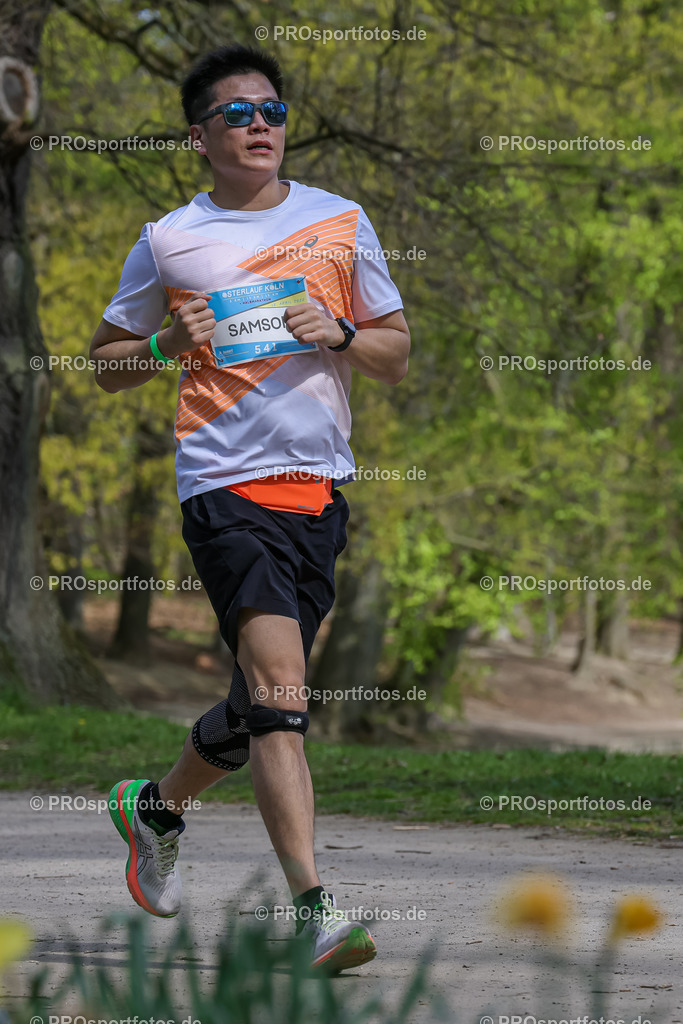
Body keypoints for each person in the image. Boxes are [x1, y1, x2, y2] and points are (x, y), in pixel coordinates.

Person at [91, 43, 410, 974]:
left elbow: (395, 352)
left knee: (267, 700)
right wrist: (158, 345)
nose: (260, 124)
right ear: (200, 136)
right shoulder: (167, 239)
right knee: (279, 694)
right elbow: (104, 365)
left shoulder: (341, 223)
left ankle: (154, 807)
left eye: (271, 109)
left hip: (317, 491)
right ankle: (318, 910)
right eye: (237, 113)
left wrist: (342, 332)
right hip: (221, 485)